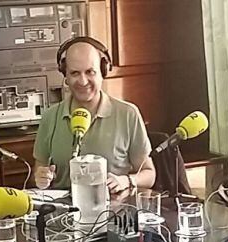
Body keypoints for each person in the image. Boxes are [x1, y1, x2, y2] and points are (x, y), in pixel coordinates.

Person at [33, 36, 156, 193]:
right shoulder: (50, 117)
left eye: (90, 72)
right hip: (65, 213)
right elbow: (39, 169)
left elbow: (149, 174)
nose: (83, 81)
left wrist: (126, 180)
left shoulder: (128, 114)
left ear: (103, 72)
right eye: (75, 73)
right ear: (66, 76)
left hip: (114, 211)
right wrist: (41, 178)